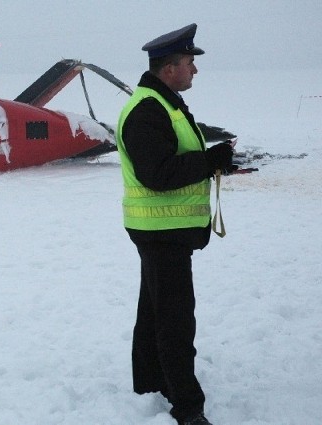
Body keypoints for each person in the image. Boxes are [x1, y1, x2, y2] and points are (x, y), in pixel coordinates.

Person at [115, 23, 235, 425]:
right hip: (160, 231)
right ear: (169, 69)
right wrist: (211, 161)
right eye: (189, 63)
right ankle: (187, 406)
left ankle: (150, 381)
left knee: (154, 310)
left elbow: (171, 160)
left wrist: (215, 162)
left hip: (162, 230)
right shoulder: (149, 110)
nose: (194, 70)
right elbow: (157, 173)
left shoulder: (162, 103)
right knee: (175, 319)